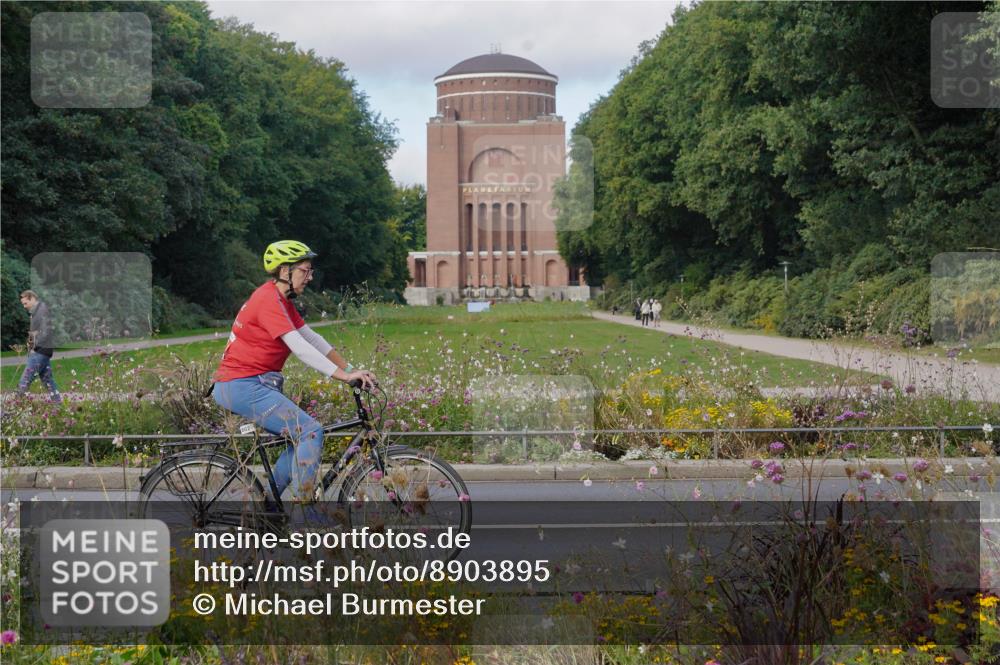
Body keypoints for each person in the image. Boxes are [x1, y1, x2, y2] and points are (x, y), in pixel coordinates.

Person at [210, 240, 376, 506]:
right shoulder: (267, 300)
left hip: (251, 384)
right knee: (309, 431)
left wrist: (349, 369)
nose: (309, 277)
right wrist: (343, 376)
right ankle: (305, 514)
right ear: (284, 270)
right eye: (304, 270)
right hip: (241, 385)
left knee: (298, 439)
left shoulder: (281, 301)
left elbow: (312, 339)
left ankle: (269, 507)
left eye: (310, 271)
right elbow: (299, 348)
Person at [17, 290, 61, 402]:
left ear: (32, 298)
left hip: (40, 351)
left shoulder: (42, 310)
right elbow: (35, 331)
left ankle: (12, 408)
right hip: (41, 351)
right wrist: (30, 343)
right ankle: (59, 406)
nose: (24, 306)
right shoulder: (36, 311)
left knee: (24, 381)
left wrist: (33, 346)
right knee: (48, 381)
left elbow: (45, 332)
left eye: (25, 303)